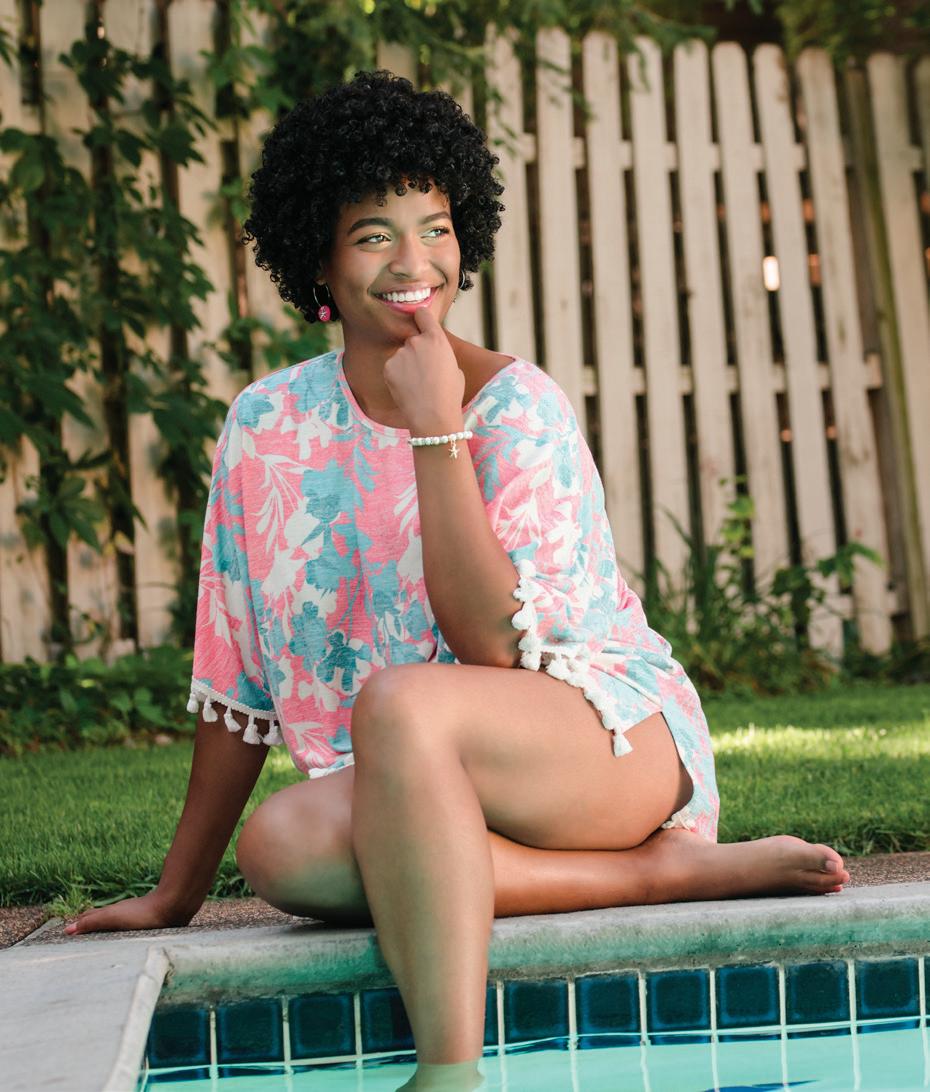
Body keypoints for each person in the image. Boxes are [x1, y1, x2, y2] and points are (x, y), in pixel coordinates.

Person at [65, 70, 850, 1090]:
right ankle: (655, 874)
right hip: (415, 778)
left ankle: (449, 1071)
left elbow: (494, 650)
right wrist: (175, 894)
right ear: (318, 259)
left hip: (599, 740)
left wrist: (438, 427)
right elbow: (240, 681)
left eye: (435, 228)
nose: (413, 262)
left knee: (403, 704)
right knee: (281, 847)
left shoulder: (517, 407)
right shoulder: (268, 425)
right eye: (373, 234)